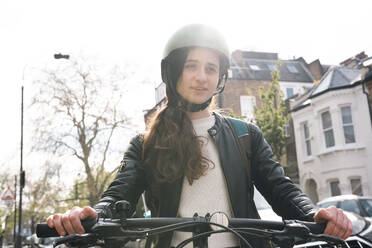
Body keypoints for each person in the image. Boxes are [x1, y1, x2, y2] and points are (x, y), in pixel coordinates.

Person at [47, 24, 352, 248]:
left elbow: (283, 192)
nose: (201, 77)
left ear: (220, 77)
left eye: (211, 68)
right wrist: (91, 213)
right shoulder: (145, 144)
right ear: (173, 72)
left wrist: (316, 214)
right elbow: (117, 198)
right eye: (191, 66)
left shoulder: (246, 135)